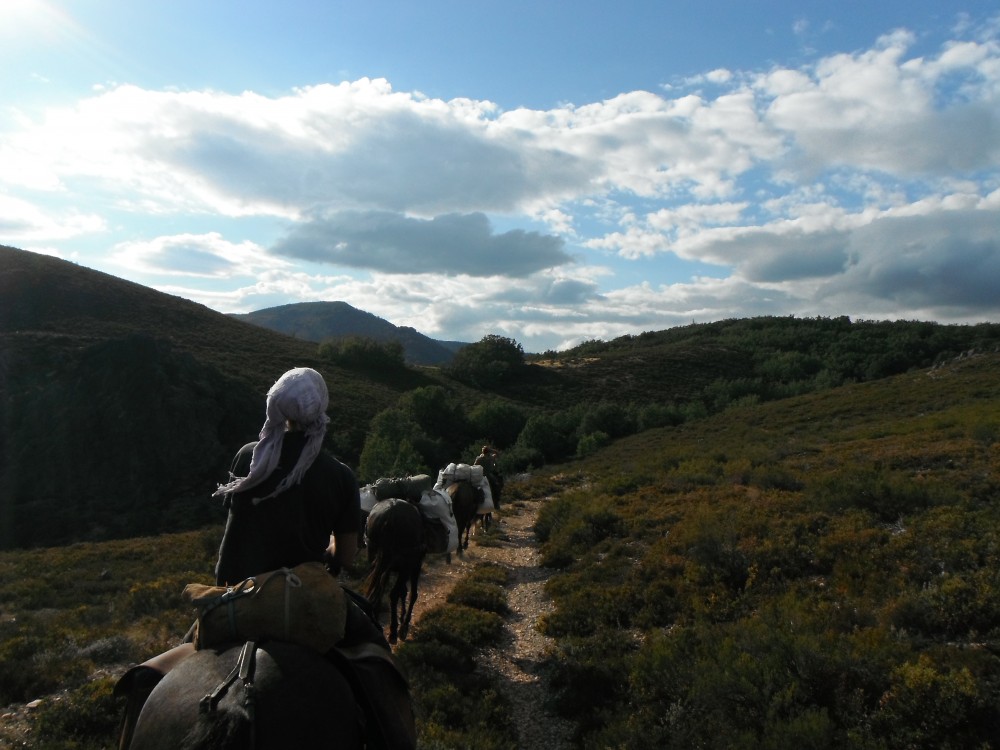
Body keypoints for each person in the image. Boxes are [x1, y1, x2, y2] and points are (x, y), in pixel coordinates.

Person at [213, 366, 359, 585]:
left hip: (234, 594)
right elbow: (346, 557)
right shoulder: (341, 475)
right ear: (321, 407)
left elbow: (236, 522)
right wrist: (330, 546)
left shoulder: (249, 457)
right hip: (295, 596)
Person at [473, 444, 503, 511]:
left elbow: (474, 466)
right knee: (496, 485)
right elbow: (498, 453)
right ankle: (496, 503)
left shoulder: (479, 458)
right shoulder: (490, 458)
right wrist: (492, 450)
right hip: (488, 475)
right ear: (489, 452)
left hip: (479, 475)